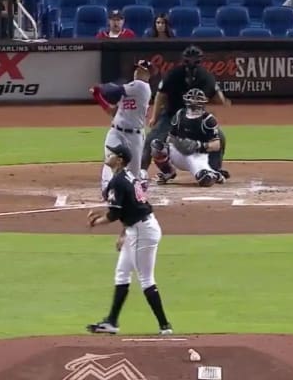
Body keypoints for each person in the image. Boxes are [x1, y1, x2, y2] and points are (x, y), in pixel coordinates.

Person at [86, 144, 173, 336]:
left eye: (112, 153)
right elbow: (129, 208)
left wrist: (96, 222)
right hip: (138, 228)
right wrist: (124, 234)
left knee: (146, 279)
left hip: (142, 231)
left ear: (119, 160)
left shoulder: (118, 181)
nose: (108, 155)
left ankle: (165, 326)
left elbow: (114, 214)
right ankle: (111, 322)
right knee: (122, 272)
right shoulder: (127, 176)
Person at [140, 45, 232, 180]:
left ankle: (214, 169)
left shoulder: (205, 76)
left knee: (219, 138)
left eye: (195, 60)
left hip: (196, 116)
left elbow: (218, 96)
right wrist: (155, 117)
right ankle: (142, 170)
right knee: (153, 138)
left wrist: (221, 100)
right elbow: (161, 95)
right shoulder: (174, 74)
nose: (192, 64)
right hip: (172, 114)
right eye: (189, 60)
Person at [91, 59, 154, 198]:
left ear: (148, 73)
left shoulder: (141, 87)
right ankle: (107, 188)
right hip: (116, 131)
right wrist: (98, 97)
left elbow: (113, 90)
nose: (137, 72)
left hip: (135, 136)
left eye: (141, 70)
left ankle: (140, 180)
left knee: (133, 174)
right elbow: (113, 112)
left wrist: (100, 87)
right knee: (110, 159)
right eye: (136, 69)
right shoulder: (129, 90)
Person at [150, 88, 226, 186]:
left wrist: (199, 145)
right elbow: (170, 137)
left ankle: (214, 174)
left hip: (196, 157)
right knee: (156, 147)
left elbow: (217, 145)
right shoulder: (179, 115)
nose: (194, 102)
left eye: (196, 99)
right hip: (178, 153)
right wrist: (180, 144)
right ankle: (169, 172)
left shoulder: (207, 119)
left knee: (205, 180)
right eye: (192, 99)